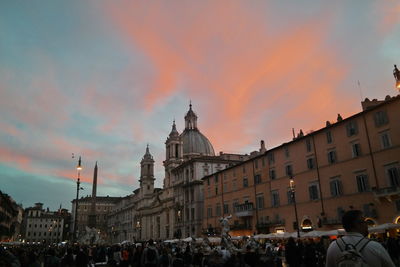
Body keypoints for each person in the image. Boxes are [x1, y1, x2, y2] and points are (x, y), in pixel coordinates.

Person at [325, 210, 395, 267]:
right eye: (364, 222)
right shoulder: (374, 246)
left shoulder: (333, 247)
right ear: (357, 225)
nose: (367, 225)